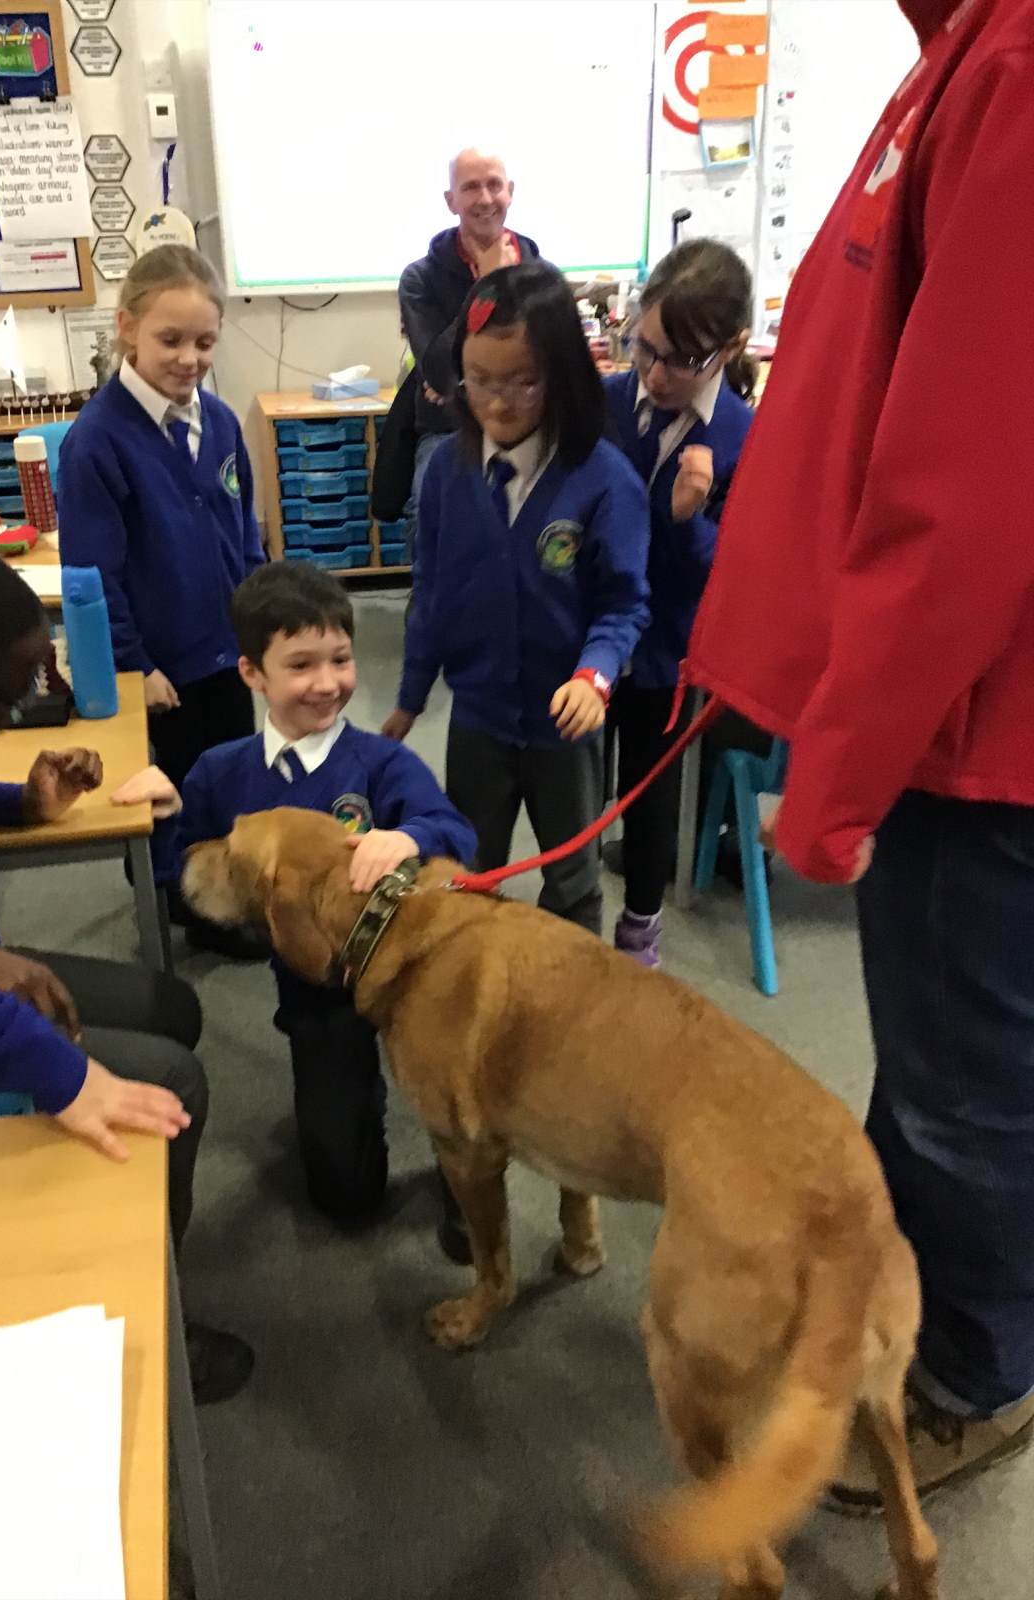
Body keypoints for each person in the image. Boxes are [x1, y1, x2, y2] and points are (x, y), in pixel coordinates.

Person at [681, 0, 1034, 1503]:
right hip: (947, 724)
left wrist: (830, 780)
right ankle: (908, 1313)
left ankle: (972, 1373)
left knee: (970, 1094)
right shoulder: (960, 57)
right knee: (946, 1065)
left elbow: (968, 493)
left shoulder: (1014, 65)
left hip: (975, 740)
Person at [0, 529, 252, 1403]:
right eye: (9, 691)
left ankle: (135, 1239)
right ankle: (141, 1318)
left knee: (169, 1008)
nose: (33, 699)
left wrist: (19, 803)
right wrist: (66, 1078)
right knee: (169, 1084)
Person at [168, 561, 477, 1257]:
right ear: (252, 673)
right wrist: (161, 812)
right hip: (319, 995)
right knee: (344, 1194)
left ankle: (461, 1181)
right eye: (301, 664)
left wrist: (407, 836)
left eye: (340, 659)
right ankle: (347, 1103)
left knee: (455, 1094)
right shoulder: (220, 772)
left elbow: (456, 832)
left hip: (411, 980)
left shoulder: (380, 763)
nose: (328, 682)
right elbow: (185, 870)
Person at [383, 261, 651, 936]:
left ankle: (571, 993)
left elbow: (623, 605)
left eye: (523, 382)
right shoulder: (446, 475)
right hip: (479, 718)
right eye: (479, 381)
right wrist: (411, 696)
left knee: (573, 879)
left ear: (561, 375)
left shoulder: (604, 480)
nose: (498, 403)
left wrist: (594, 677)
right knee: (467, 873)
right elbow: (433, 593)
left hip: (566, 726)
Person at [58, 244, 264, 796]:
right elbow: (93, 577)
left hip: (228, 655)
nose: (189, 358)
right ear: (128, 327)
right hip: (159, 675)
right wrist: (136, 667)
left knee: (234, 794)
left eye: (205, 343)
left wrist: (259, 629)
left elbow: (245, 536)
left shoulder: (220, 421)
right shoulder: (96, 442)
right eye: (170, 340)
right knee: (174, 805)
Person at [602, 240, 756, 967]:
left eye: (682, 360)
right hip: (588, 639)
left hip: (668, 647)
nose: (656, 374)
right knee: (571, 783)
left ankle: (640, 932)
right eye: (645, 347)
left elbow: (733, 570)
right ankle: (569, 924)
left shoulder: (742, 436)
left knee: (650, 793)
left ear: (732, 348)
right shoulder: (604, 405)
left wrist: (690, 520)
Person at [397, 150, 543, 548]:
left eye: (494, 185)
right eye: (471, 188)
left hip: (528, 424)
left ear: (510, 192)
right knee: (430, 514)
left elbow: (548, 362)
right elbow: (438, 371)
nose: (485, 198)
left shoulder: (539, 272)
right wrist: (488, 287)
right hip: (449, 429)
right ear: (451, 201)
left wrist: (461, 382)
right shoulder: (419, 279)